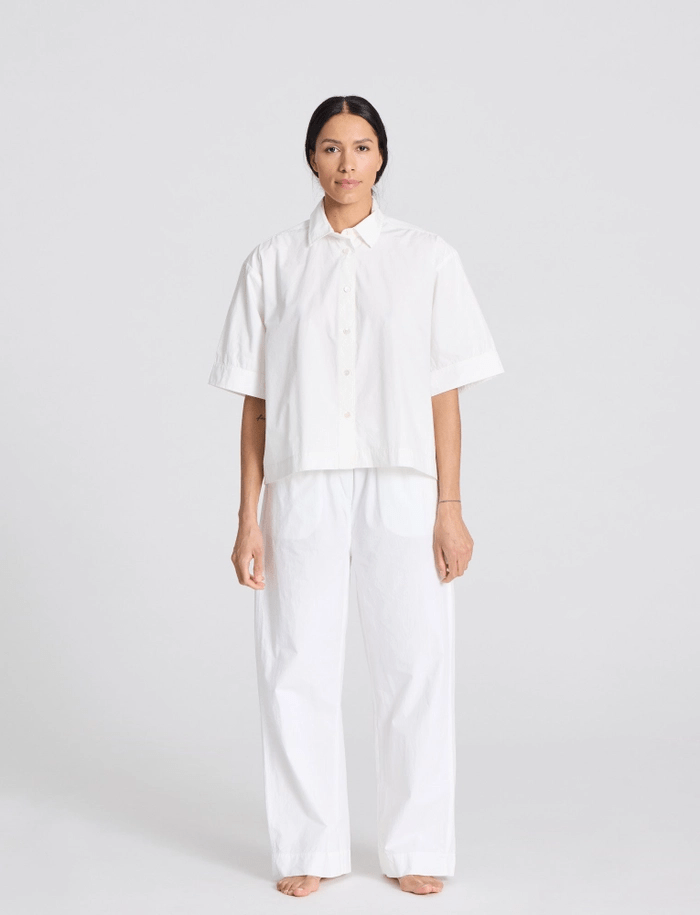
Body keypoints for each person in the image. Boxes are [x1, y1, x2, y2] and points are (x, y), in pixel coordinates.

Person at [207, 95, 505, 897]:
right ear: (311, 158)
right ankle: (307, 843)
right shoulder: (272, 263)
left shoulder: (427, 257)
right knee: (296, 663)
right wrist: (248, 519)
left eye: (362, 146)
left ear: (382, 157)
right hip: (301, 483)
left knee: (415, 662)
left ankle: (417, 844)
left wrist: (451, 506)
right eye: (332, 147)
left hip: (402, 484)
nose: (347, 163)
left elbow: (444, 394)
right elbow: (256, 404)